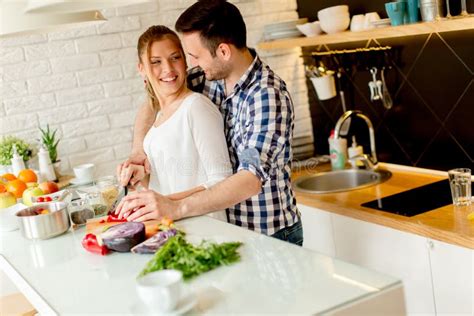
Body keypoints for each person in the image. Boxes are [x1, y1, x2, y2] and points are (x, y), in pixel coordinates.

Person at [116, 0, 303, 245]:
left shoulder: (266, 95)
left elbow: (249, 180)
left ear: (223, 52)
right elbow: (155, 100)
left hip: (268, 234)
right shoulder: (207, 76)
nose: (190, 64)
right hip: (227, 231)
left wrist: (176, 207)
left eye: (194, 55)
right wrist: (138, 150)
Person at [118, 24, 232, 222]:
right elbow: (167, 179)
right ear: (141, 69)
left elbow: (222, 181)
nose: (168, 69)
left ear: (185, 62)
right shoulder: (159, 116)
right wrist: (141, 176)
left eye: (175, 57)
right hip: (173, 230)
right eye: (156, 62)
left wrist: (165, 202)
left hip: (206, 229)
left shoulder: (196, 107)